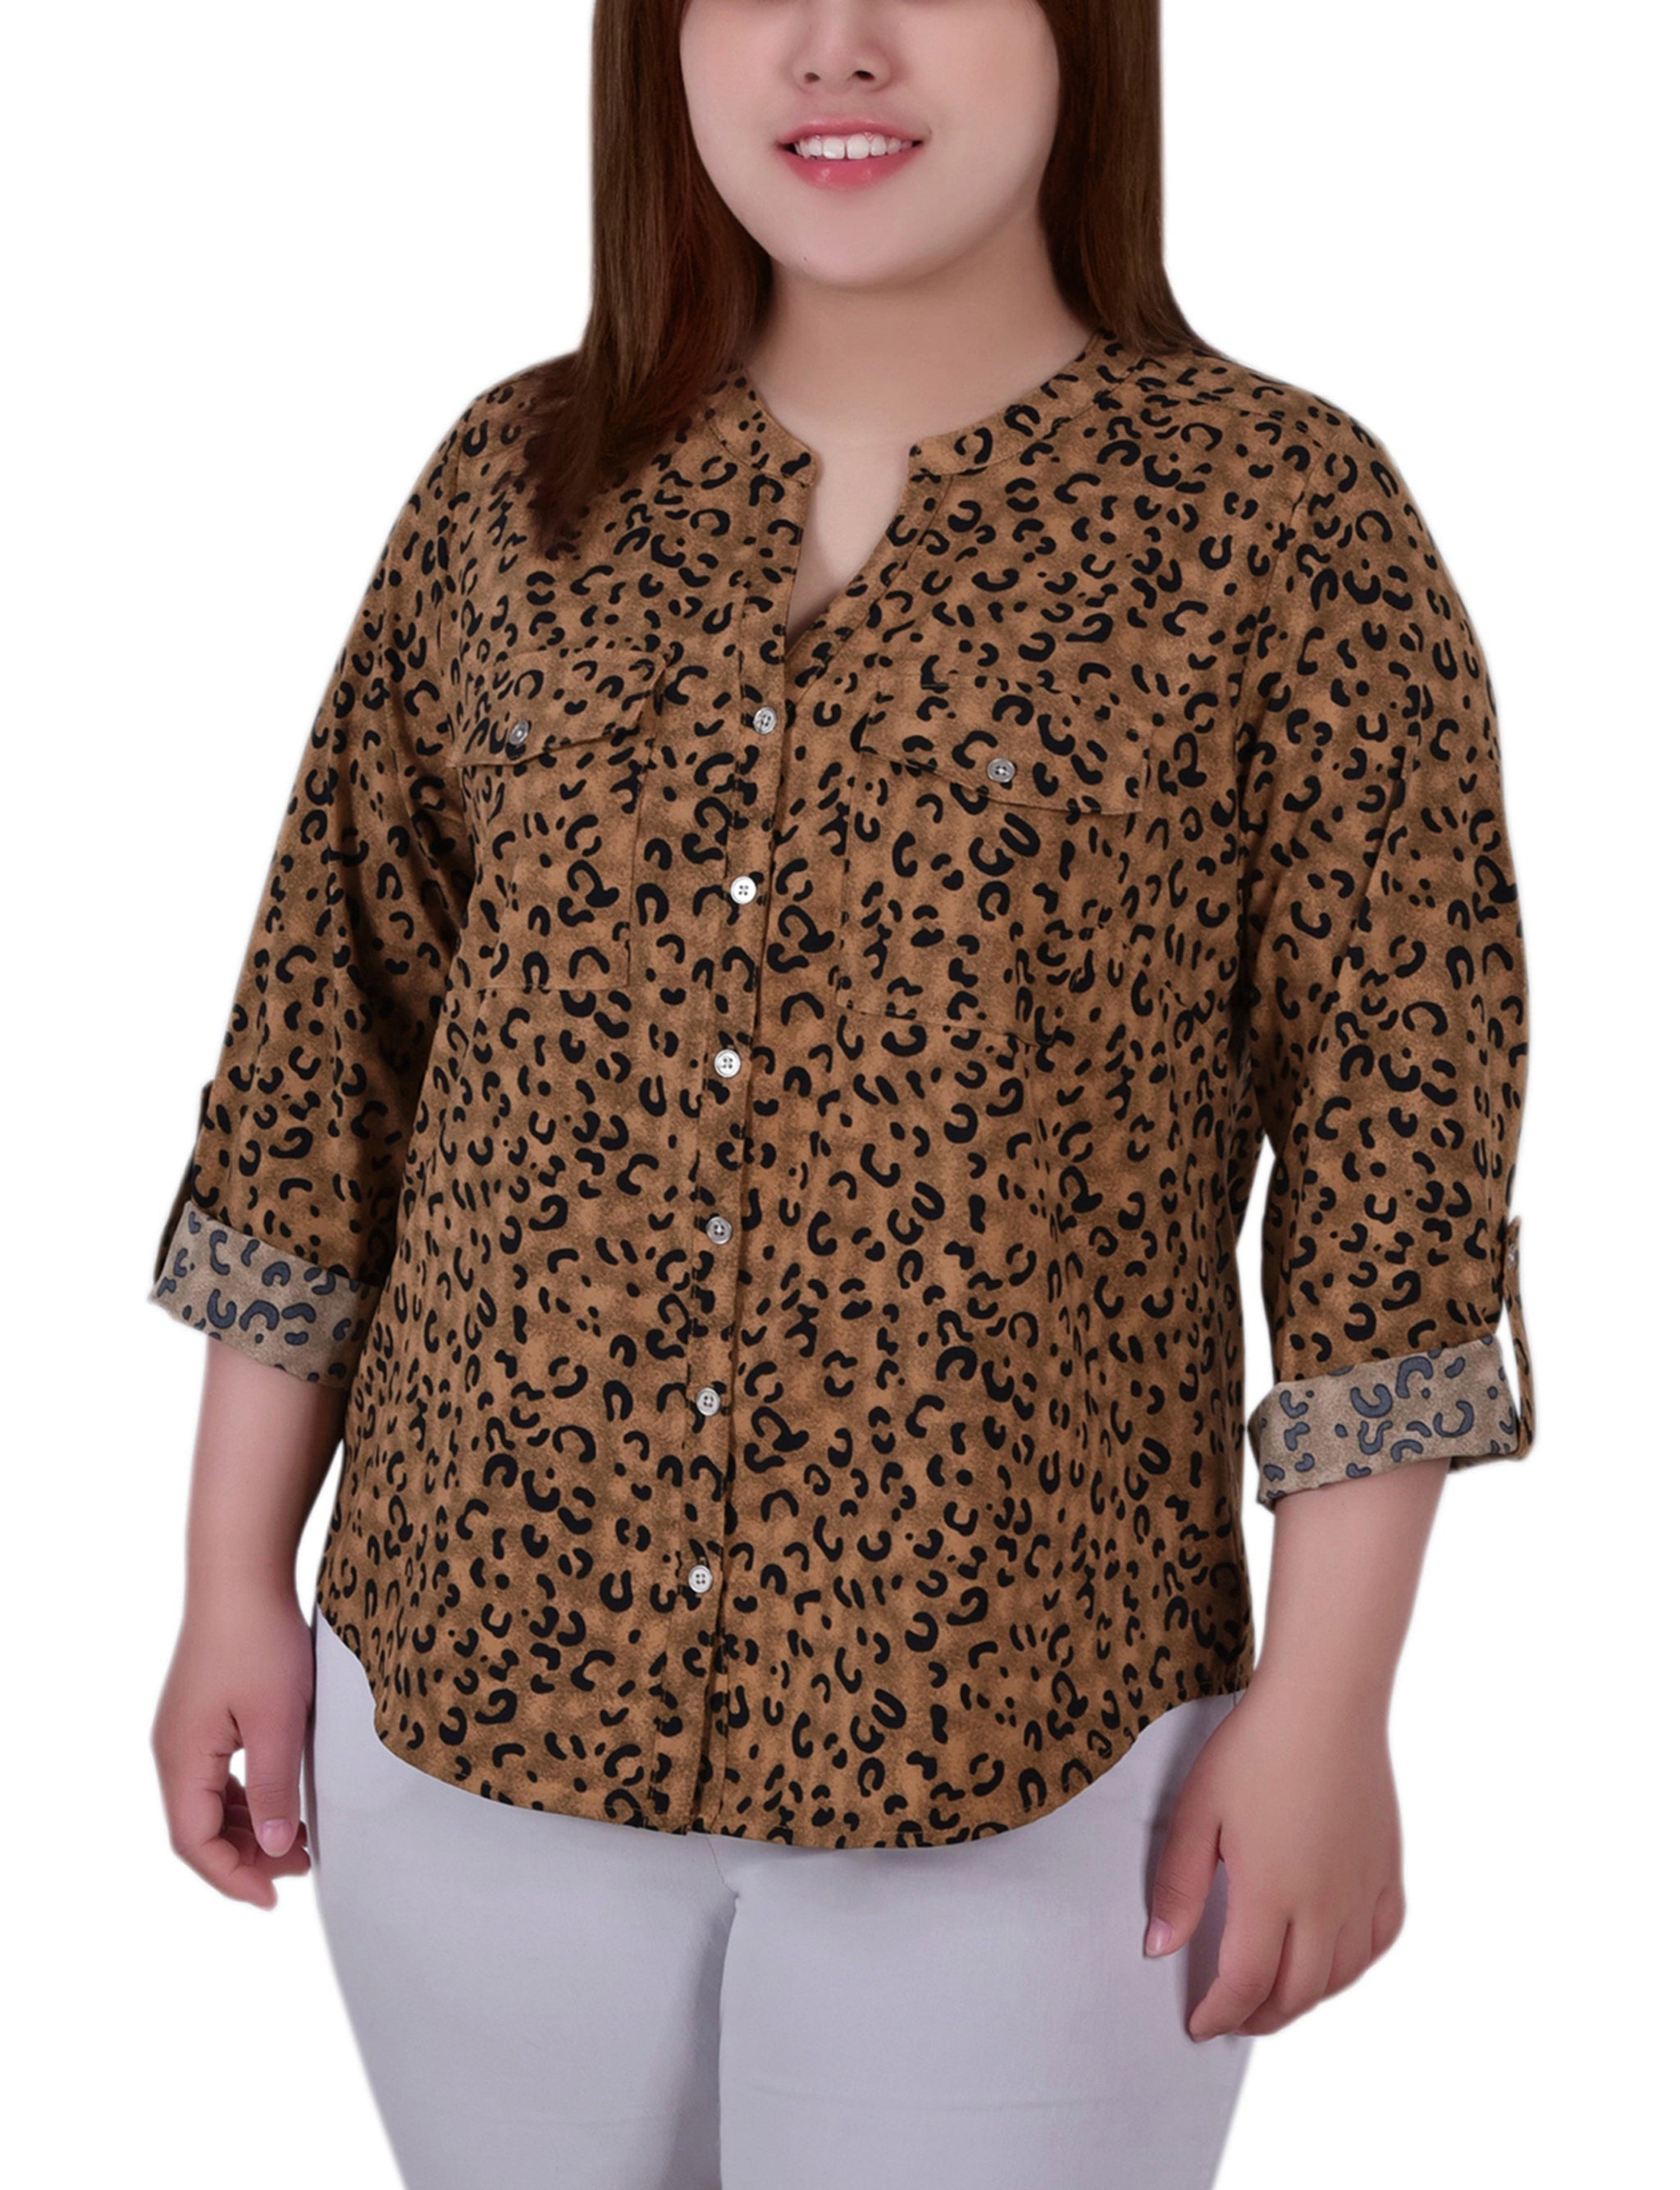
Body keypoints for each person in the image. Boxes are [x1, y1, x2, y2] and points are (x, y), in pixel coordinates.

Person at [147, 4, 1536, 2187]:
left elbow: (1398, 1156)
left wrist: (1334, 1705)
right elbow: (330, 1056)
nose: (837, 45)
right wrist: (232, 1570)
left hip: (1042, 1757)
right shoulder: (515, 488)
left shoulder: (1278, 525)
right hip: (469, 1702)